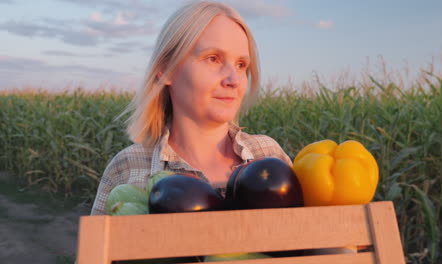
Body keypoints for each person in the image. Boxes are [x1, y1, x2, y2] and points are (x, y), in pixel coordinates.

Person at [90, 1, 291, 216]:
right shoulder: (128, 167)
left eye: (241, 65)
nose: (234, 79)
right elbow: (101, 248)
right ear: (166, 69)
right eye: (213, 59)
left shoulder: (270, 155)